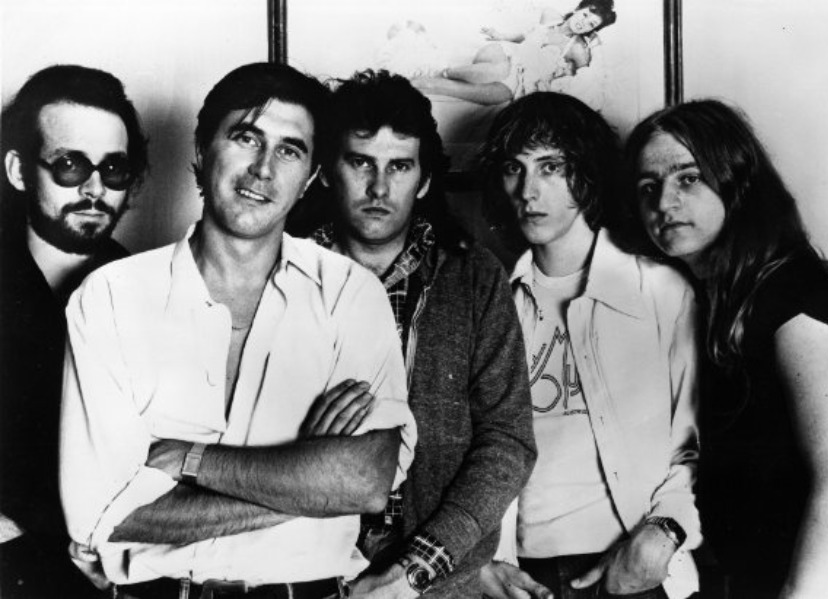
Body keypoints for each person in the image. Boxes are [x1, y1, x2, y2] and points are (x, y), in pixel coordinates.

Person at [59, 62, 417, 599]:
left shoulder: (350, 295)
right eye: (246, 138)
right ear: (202, 152)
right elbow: (100, 513)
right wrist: (307, 480)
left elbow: (363, 481)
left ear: (311, 177)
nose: (263, 169)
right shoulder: (111, 296)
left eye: (290, 150)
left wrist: (189, 459)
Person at [627, 99, 828, 599]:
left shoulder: (792, 297)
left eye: (688, 178)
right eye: (648, 187)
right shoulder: (712, 300)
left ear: (735, 183)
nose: (664, 202)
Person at [310, 69, 537, 598]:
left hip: (439, 579)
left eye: (400, 166)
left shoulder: (474, 277)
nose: (379, 188)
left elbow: (507, 442)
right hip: (310, 573)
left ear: (425, 180)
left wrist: (416, 568)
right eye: (361, 162)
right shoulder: (285, 273)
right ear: (326, 172)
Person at [478, 92, 701, 599]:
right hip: (523, 576)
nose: (528, 191)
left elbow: (695, 441)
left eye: (550, 167)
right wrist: (489, 560)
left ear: (587, 173)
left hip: (638, 567)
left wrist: (664, 532)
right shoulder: (493, 302)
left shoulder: (660, 289)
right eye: (514, 168)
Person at [0, 64, 148, 598]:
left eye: (113, 169)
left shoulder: (150, 291)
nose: (94, 188)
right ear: (19, 170)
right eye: (69, 165)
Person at [411, 0, 616, 105]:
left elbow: (585, 86)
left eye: (591, 24)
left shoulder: (579, 50)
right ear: (579, 8)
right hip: (504, 54)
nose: (583, 23)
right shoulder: (550, 15)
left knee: (487, 85)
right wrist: (501, 35)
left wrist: (559, 81)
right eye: (586, 15)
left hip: (521, 84)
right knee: (500, 69)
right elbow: (528, 35)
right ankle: (443, 71)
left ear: (593, 30)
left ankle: (426, 81)